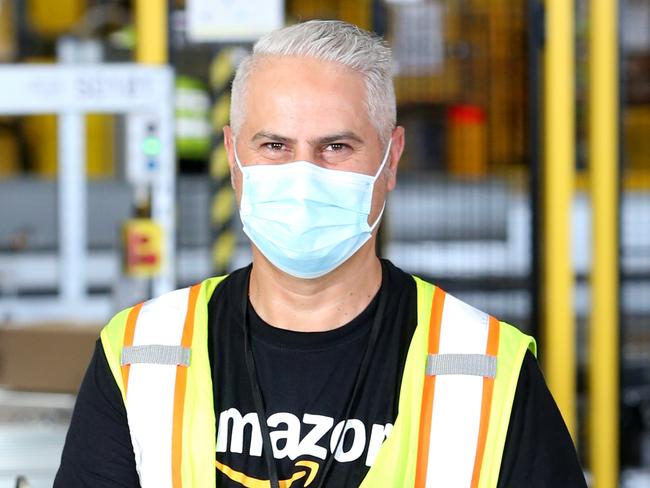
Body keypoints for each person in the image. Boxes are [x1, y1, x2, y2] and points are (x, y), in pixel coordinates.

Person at [55, 20, 586, 488]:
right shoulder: (139, 353)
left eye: (336, 147)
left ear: (392, 157)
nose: (302, 175)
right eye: (274, 146)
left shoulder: (487, 369)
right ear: (233, 159)